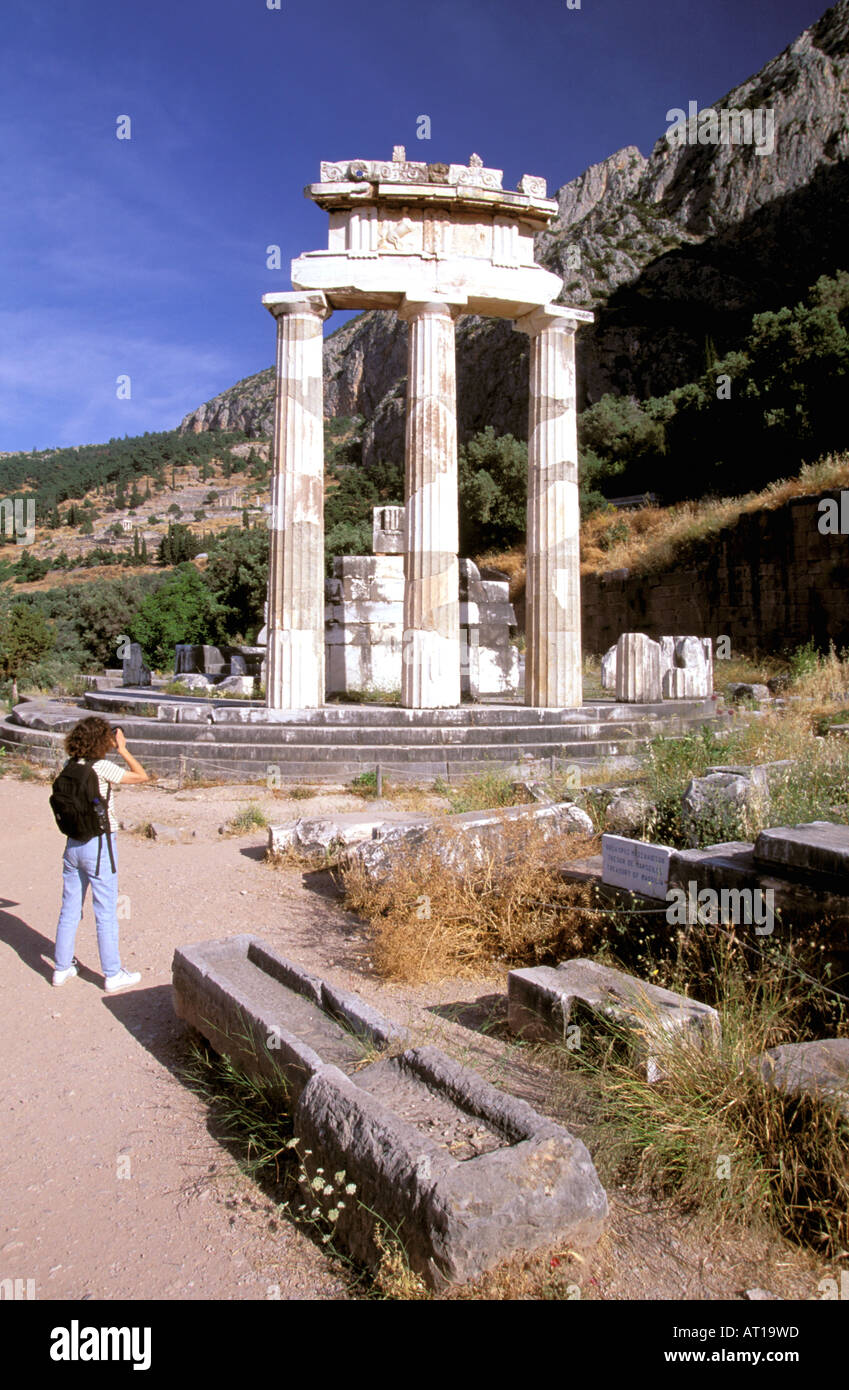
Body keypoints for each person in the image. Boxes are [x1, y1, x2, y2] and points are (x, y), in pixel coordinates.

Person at [52, 716, 149, 991]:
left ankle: (61, 968)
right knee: (106, 910)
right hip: (99, 844)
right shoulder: (102, 766)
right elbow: (142, 776)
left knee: (69, 908)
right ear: (102, 739)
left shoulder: (71, 765)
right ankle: (112, 973)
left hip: (72, 844)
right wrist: (123, 749)